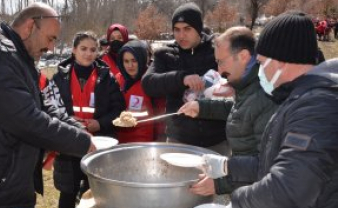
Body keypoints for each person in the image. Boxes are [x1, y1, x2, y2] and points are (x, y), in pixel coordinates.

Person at [198, 11, 338, 208]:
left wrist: (238, 201)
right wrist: (226, 166)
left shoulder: (316, 107)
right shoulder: (296, 97)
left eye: (262, 63)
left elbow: (290, 189)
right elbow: (271, 163)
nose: (260, 70)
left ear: (281, 60)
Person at [0, 2, 96, 208]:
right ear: (29, 27)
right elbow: (27, 120)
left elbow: (44, 104)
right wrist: (81, 142)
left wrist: (77, 129)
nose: (52, 47)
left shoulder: (19, 58)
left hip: (9, 183)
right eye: (50, 38)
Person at [178, 26, 278, 196]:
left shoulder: (264, 94)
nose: (218, 71)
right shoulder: (246, 86)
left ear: (243, 56)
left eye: (221, 62)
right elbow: (240, 110)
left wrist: (221, 184)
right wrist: (201, 107)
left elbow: (267, 165)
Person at [50, 31, 125, 208]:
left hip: (98, 145)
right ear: (74, 50)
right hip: (69, 145)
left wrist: (100, 123)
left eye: (93, 49)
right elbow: (50, 108)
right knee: (68, 194)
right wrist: (68, 120)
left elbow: (118, 108)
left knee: (98, 195)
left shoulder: (107, 78)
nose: (88, 53)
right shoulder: (59, 77)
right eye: (83, 48)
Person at [142, 2, 227, 154]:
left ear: (199, 29)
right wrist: (181, 78)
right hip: (179, 140)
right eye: (177, 30)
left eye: (187, 29)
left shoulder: (216, 50)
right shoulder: (165, 54)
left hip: (217, 141)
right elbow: (148, 83)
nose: (181, 35)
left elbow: (237, 76)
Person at [115, 40, 155, 143]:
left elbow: (160, 112)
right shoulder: (117, 80)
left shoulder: (151, 81)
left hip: (144, 141)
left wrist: (160, 138)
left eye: (134, 60)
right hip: (120, 140)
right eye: (126, 61)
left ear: (142, 60)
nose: (130, 65)